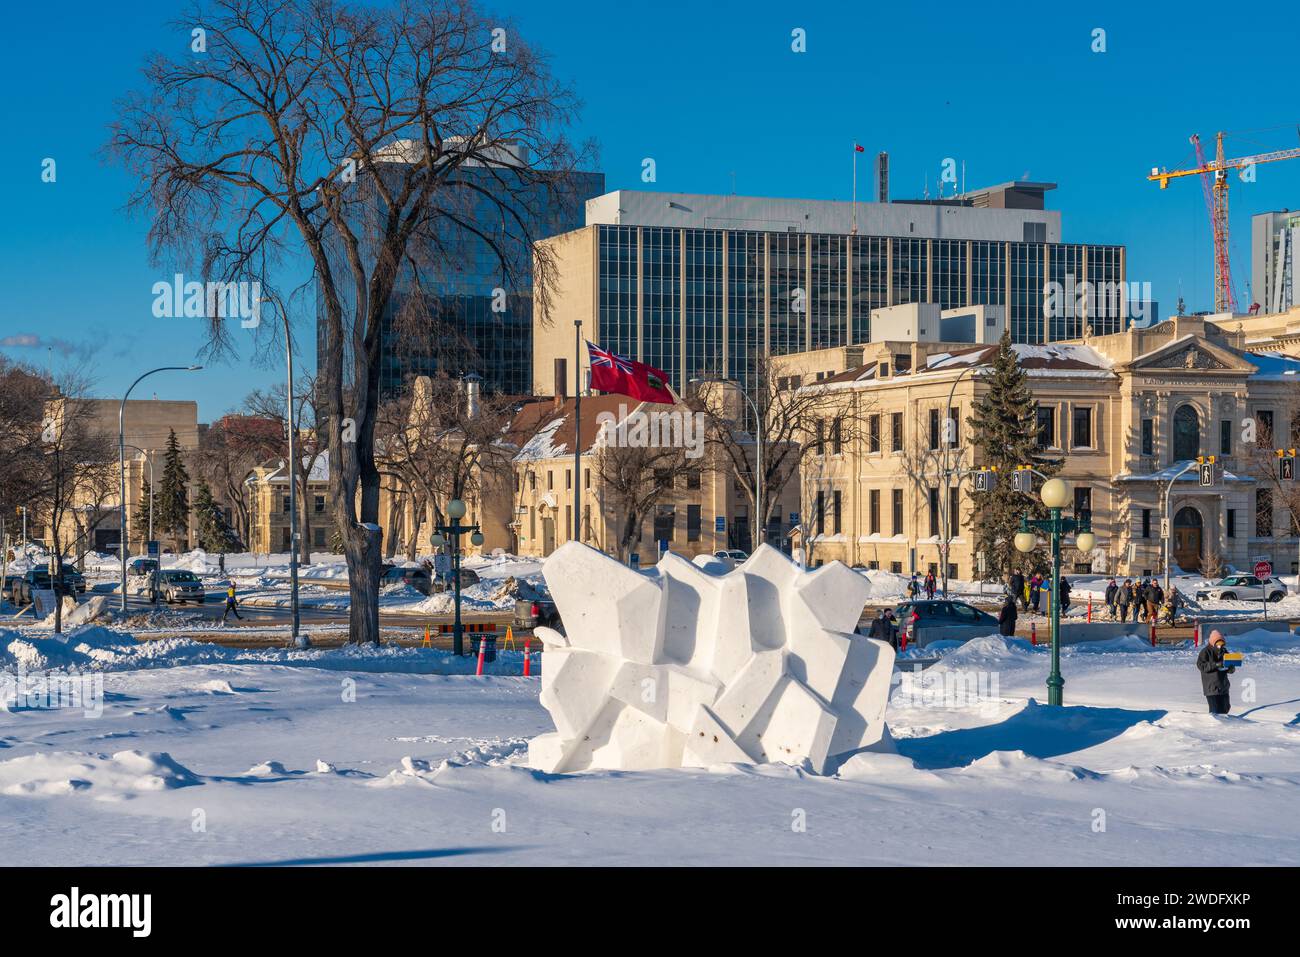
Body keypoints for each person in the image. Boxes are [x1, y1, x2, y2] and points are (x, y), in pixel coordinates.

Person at [1196, 631, 1236, 715]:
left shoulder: (1224, 651)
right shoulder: (1205, 652)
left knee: (1226, 708)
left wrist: (1231, 666)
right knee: (1215, 712)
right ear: (1213, 642)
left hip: (1223, 686)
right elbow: (1201, 666)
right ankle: (1214, 726)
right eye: (1218, 643)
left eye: (1222, 643)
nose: (1220, 646)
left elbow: (1231, 670)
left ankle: (1224, 726)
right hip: (1212, 687)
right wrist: (1216, 664)